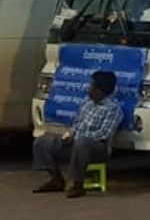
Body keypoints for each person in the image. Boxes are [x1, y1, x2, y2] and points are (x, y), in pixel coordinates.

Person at [31, 70, 121, 199]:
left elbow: (104, 134)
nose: (88, 88)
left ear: (99, 90)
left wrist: (78, 137)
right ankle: (56, 179)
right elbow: (76, 124)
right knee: (42, 142)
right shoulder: (87, 103)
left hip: (96, 148)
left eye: (91, 85)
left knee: (83, 142)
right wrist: (70, 134)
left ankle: (77, 184)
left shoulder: (113, 108)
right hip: (76, 144)